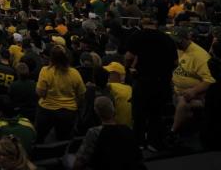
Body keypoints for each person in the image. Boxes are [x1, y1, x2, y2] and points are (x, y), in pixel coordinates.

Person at [124, 17, 177, 150]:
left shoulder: (137, 36)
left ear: (142, 25)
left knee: (139, 113)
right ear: (155, 24)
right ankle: (154, 142)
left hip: (143, 80)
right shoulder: (167, 38)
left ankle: (139, 142)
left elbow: (129, 57)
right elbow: (175, 63)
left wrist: (130, 69)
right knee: (156, 113)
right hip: (161, 81)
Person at [69, 96, 143, 170]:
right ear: (113, 110)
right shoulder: (127, 129)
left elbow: (80, 162)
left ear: (96, 112)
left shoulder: (94, 132)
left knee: (68, 158)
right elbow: (138, 157)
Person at [34, 45, 85, 142]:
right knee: (64, 139)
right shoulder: (75, 73)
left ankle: (37, 154)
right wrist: (74, 106)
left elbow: (40, 93)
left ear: (51, 57)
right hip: (68, 112)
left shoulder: (45, 71)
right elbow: (81, 95)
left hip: (46, 110)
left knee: (39, 137)